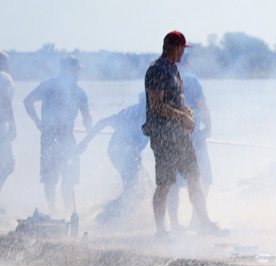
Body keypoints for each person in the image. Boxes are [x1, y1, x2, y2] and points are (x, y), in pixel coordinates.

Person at [143, 31, 222, 237]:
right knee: (165, 184)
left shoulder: (174, 70)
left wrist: (188, 111)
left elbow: (178, 99)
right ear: (175, 48)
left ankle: (205, 223)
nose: (183, 54)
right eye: (182, 49)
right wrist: (182, 117)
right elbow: (157, 105)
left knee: (194, 178)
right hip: (162, 135)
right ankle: (161, 231)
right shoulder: (157, 70)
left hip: (180, 135)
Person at [23, 55, 92, 215]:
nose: (78, 73)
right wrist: (37, 122)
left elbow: (86, 116)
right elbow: (27, 101)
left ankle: (61, 211)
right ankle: (58, 211)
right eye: (77, 70)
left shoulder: (74, 90)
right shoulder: (66, 88)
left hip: (59, 136)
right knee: (54, 177)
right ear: (70, 69)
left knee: (58, 178)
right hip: (56, 137)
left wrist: (38, 122)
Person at [78, 94, 150, 222]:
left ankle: (111, 214)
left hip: (117, 151)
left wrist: (86, 141)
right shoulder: (148, 114)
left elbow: (103, 123)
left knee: (138, 187)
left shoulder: (129, 111)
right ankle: (107, 216)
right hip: (126, 153)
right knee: (135, 189)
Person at [167, 53, 212, 230]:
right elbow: (202, 106)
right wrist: (208, 129)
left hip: (169, 139)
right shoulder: (192, 80)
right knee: (204, 180)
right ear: (184, 63)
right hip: (193, 138)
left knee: (172, 185)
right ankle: (197, 222)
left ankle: (175, 225)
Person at [0, 52, 15, 197]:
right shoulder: (4, 77)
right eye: (8, 62)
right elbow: (5, 101)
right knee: (8, 165)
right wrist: (13, 125)